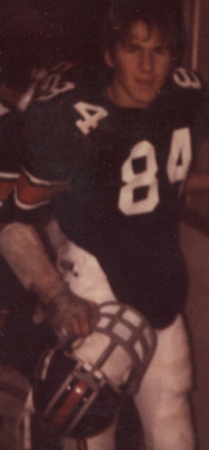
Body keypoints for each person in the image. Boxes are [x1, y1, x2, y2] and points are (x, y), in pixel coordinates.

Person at [1, 0, 209, 448]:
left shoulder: (186, 94)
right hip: (96, 283)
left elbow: (157, 177)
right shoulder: (70, 119)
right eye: (134, 49)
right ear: (110, 54)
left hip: (162, 278)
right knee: (88, 418)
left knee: (172, 411)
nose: (149, 66)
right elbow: (14, 221)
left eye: (160, 50)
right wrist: (56, 296)